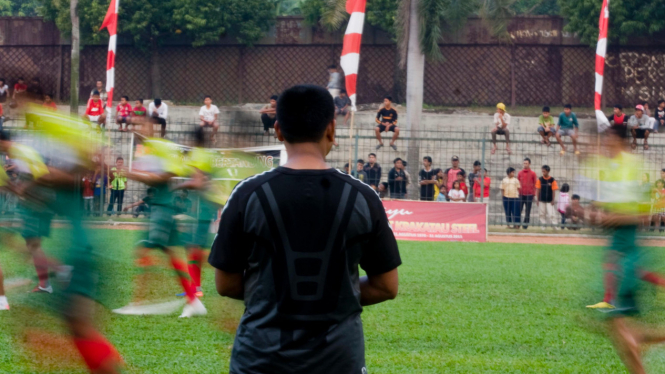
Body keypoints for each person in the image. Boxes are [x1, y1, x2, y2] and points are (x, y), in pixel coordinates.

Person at [208, 84, 400, 374]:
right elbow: (386, 286)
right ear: (331, 130)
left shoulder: (247, 194)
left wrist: (275, 293)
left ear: (278, 130)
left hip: (260, 358)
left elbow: (226, 284)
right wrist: (336, 293)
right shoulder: (364, 197)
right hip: (338, 358)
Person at [113, 132, 205, 318]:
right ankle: (193, 300)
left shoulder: (168, 152)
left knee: (144, 250)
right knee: (170, 254)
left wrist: (128, 172)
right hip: (161, 207)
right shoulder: (156, 150)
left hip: (163, 208)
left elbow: (157, 178)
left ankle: (137, 303)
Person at [0, 132, 54, 293]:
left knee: (32, 244)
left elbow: (43, 176)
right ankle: (49, 280)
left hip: (37, 202)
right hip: (34, 202)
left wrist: (24, 189)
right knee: (31, 243)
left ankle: (59, 272)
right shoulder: (16, 153)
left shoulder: (20, 153)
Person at [518, 158, 537, 229]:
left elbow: (535, 184)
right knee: (519, 209)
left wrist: (533, 194)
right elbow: (518, 182)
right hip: (521, 194)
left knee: (528, 210)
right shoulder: (520, 173)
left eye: (526, 163)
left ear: (529, 164)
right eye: (524, 163)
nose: (525, 165)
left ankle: (525, 224)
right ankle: (517, 223)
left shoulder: (533, 173)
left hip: (529, 194)